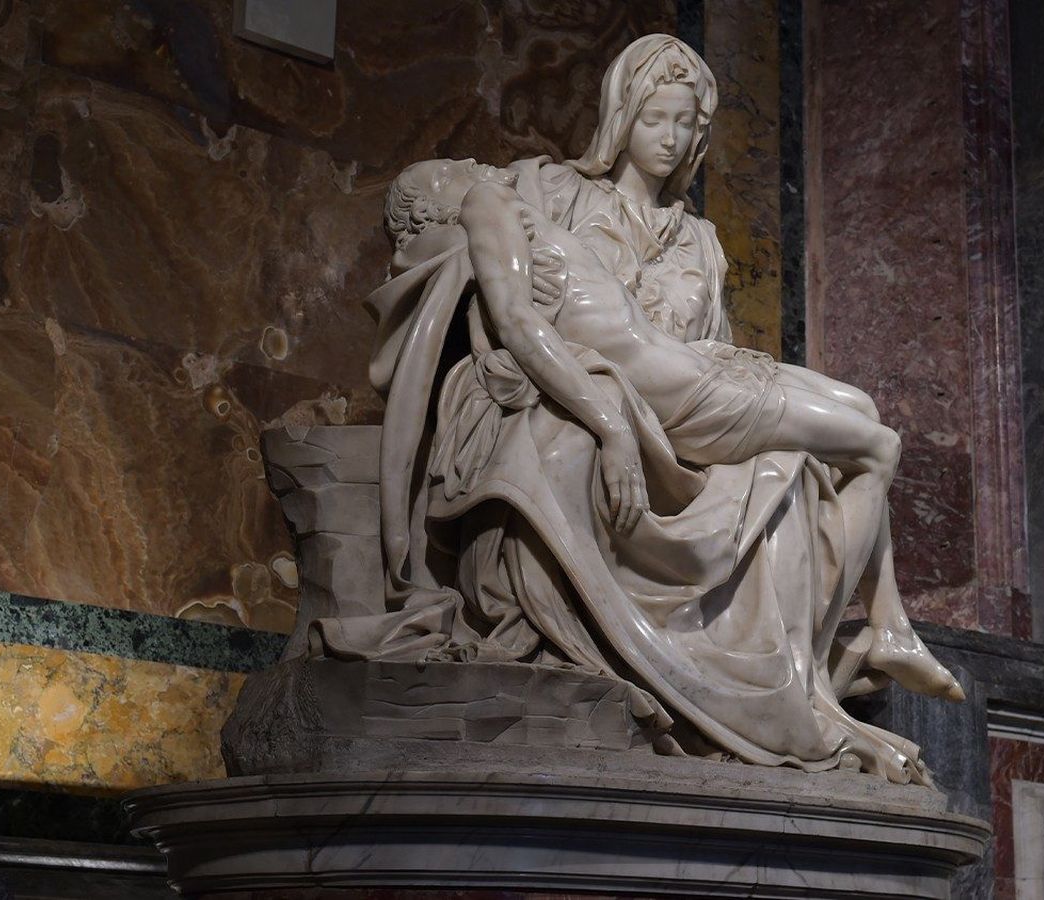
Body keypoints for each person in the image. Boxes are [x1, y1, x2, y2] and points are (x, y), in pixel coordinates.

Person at [343, 34, 959, 784]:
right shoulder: (536, 194)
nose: (669, 141)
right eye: (654, 120)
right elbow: (510, 320)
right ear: (620, 116)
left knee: (833, 435)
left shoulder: (700, 239)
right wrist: (607, 417)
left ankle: (820, 677)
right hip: (628, 396)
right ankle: (842, 666)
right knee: (866, 442)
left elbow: (705, 340)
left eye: (685, 126)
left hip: (692, 389)